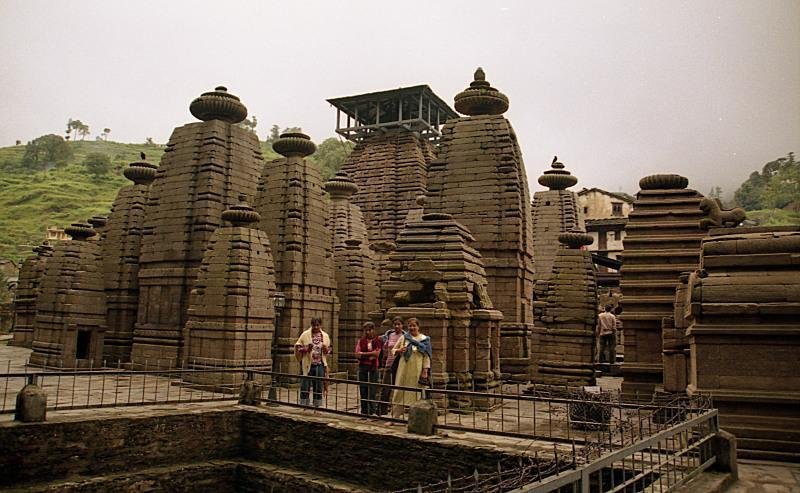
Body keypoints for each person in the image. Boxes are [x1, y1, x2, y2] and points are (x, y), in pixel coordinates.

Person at [390, 318, 432, 419]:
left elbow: (426, 356)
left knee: (416, 393)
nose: (412, 328)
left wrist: (425, 370)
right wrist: (399, 350)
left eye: (414, 326)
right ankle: (394, 417)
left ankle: (416, 418)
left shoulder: (424, 339)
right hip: (403, 369)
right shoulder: (404, 338)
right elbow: (393, 350)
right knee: (399, 392)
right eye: (410, 326)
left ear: (418, 327)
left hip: (417, 370)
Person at [294, 317, 332, 408]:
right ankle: (304, 404)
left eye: (317, 325)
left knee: (318, 385)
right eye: (314, 325)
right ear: (311, 325)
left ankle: (317, 405)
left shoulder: (325, 336)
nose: (315, 327)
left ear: (320, 325)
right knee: (305, 384)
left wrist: (325, 348)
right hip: (308, 363)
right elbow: (298, 348)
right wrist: (307, 349)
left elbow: (329, 350)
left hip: (320, 364)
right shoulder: (305, 335)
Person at [378, 317, 405, 415]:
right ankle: (382, 410)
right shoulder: (389, 335)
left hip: (400, 364)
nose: (397, 326)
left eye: (399, 324)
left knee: (398, 388)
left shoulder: (405, 336)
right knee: (385, 387)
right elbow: (385, 348)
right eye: (395, 324)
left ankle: (397, 411)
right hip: (389, 363)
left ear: (402, 325)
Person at [355, 322, 382, 415]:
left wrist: (363, 354)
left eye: (369, 330)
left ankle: (372, 411)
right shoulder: (361, 341)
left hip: (373, 367)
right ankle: (364, 411)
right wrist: (369, 354)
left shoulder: (377, 340)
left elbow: (377, 354)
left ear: (373, 330)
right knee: (363, 390)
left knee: (372, 390)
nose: (367, 332)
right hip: (363, 367)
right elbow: (357, 354)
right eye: (366, 330)